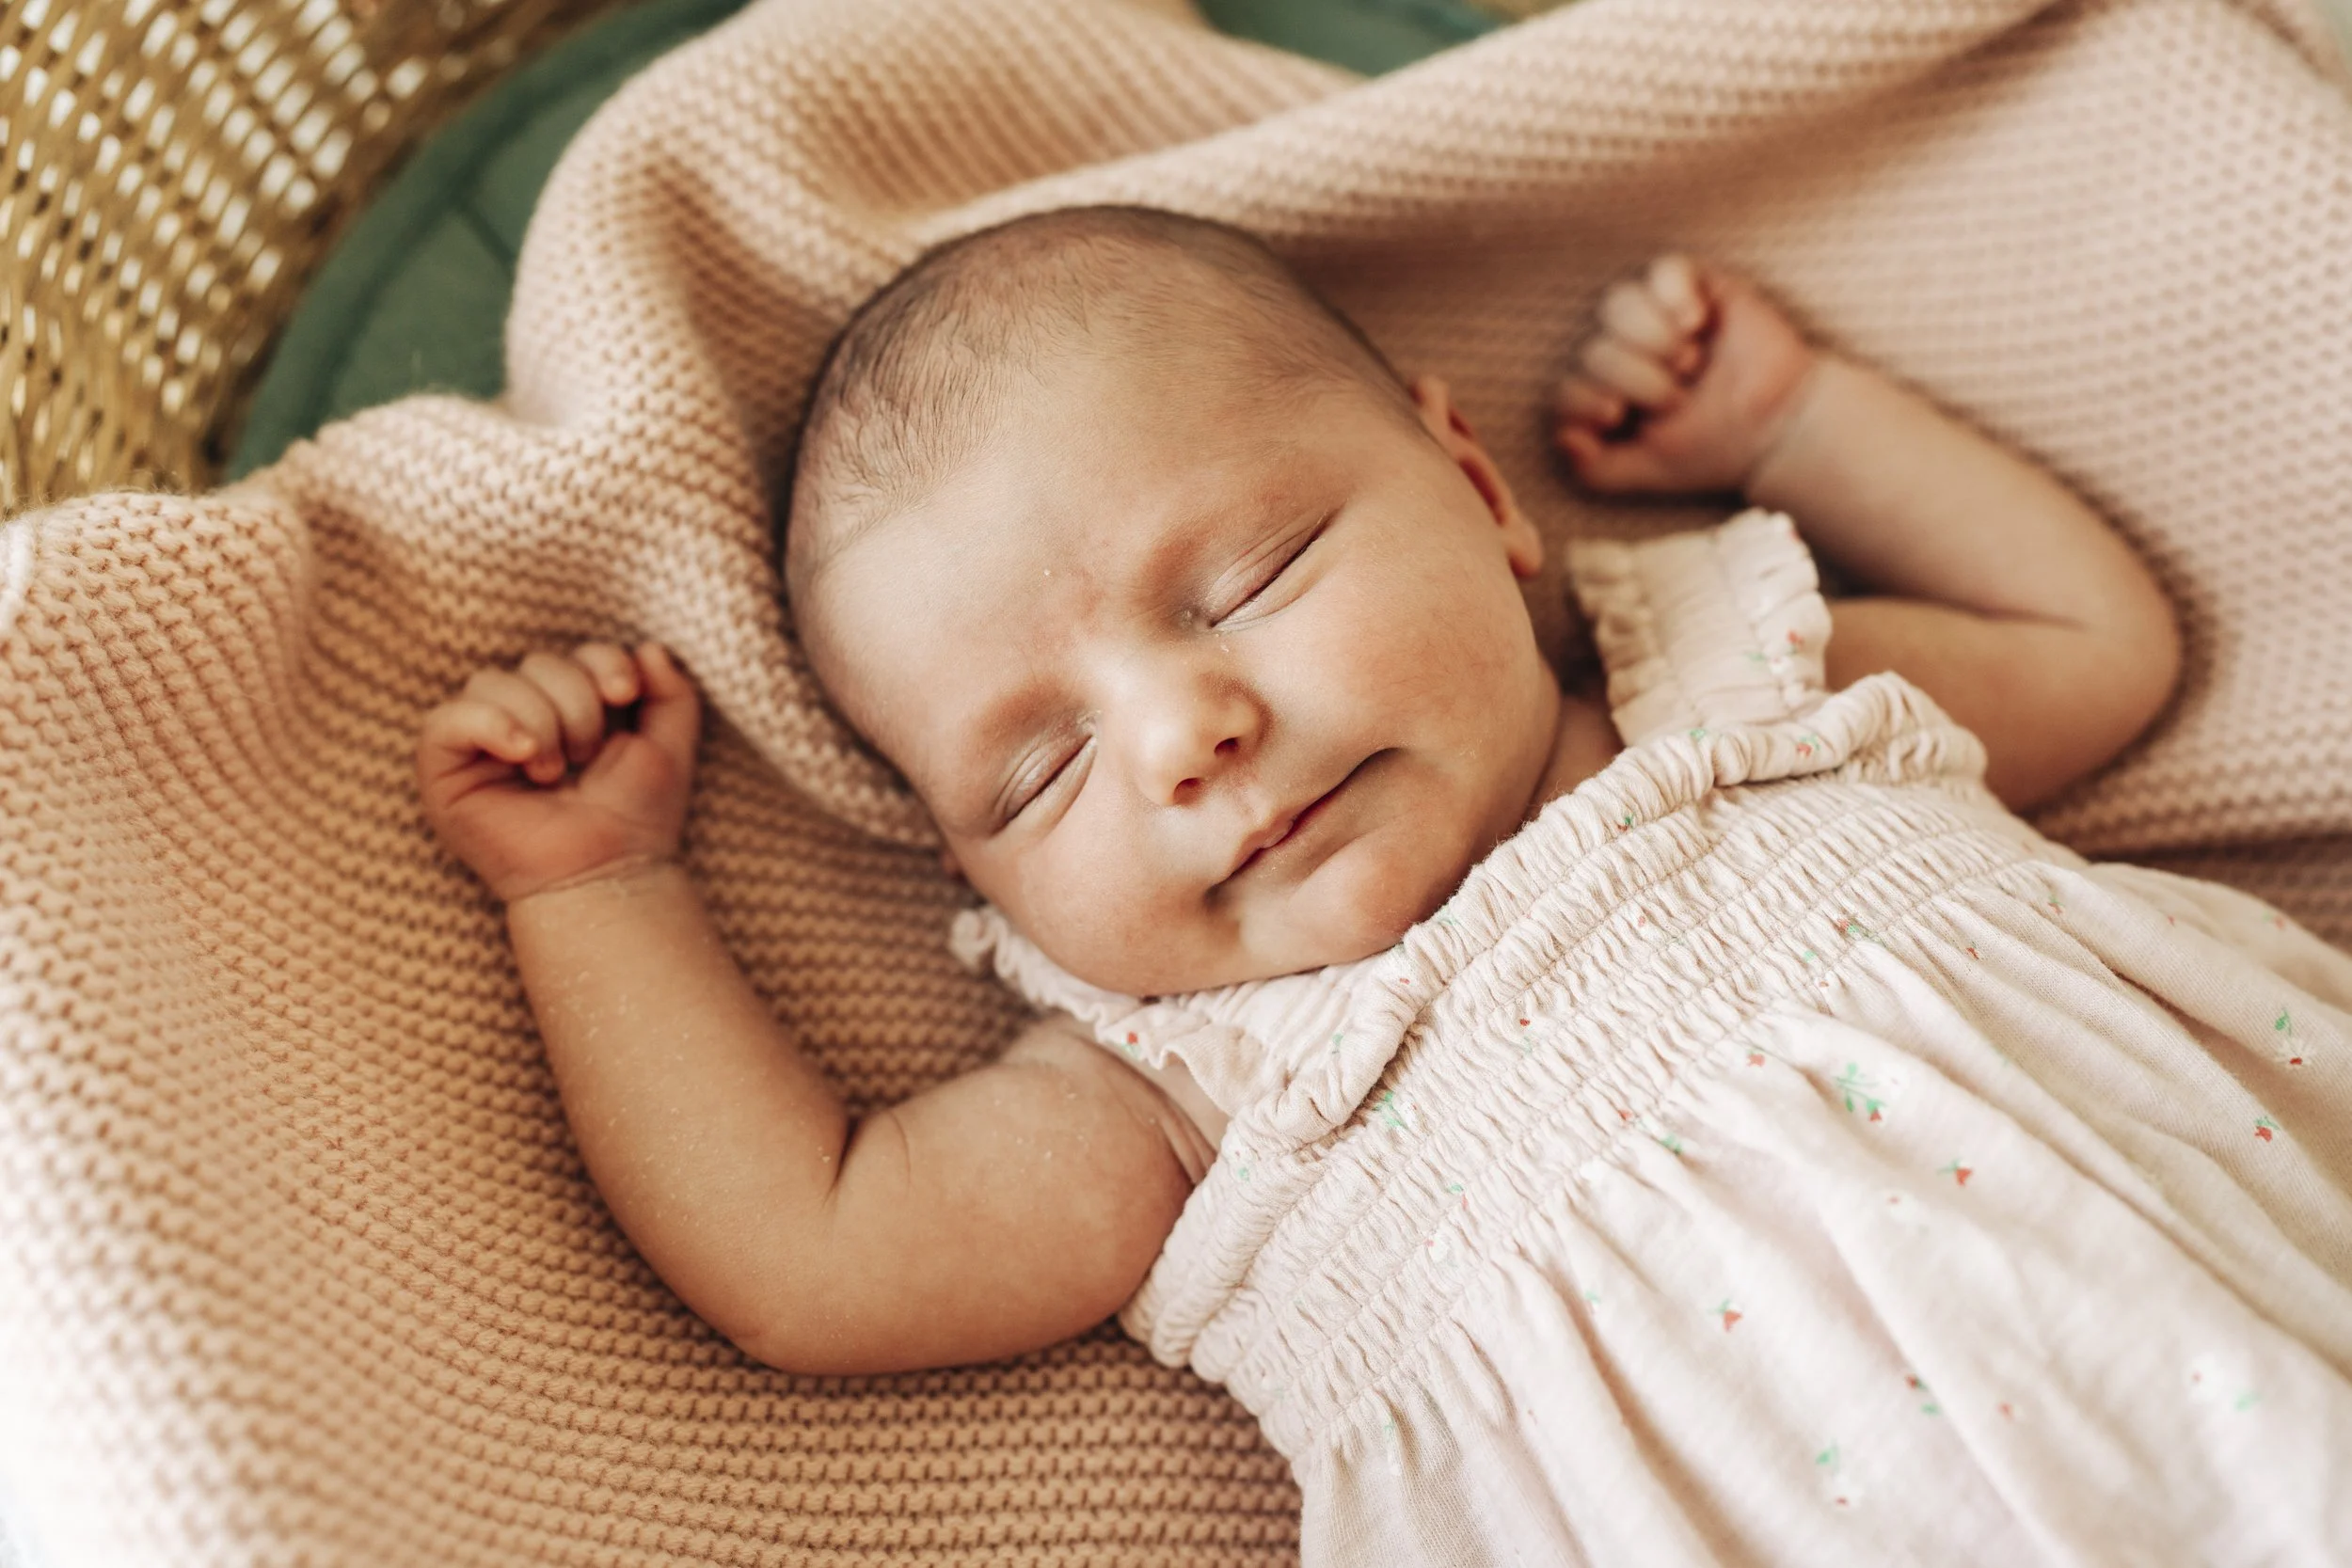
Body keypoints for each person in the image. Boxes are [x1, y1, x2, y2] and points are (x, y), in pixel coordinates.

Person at [416, 207, 2352, 1563]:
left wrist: (1789, 427)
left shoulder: (1741, 691)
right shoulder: (1182, 1095)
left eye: (1245, 579)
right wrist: (597, 883)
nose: (1184, 732)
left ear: (1480, 494)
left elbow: (2089, 640)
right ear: (970, 861)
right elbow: (807, 1254)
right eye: (1040, 765)